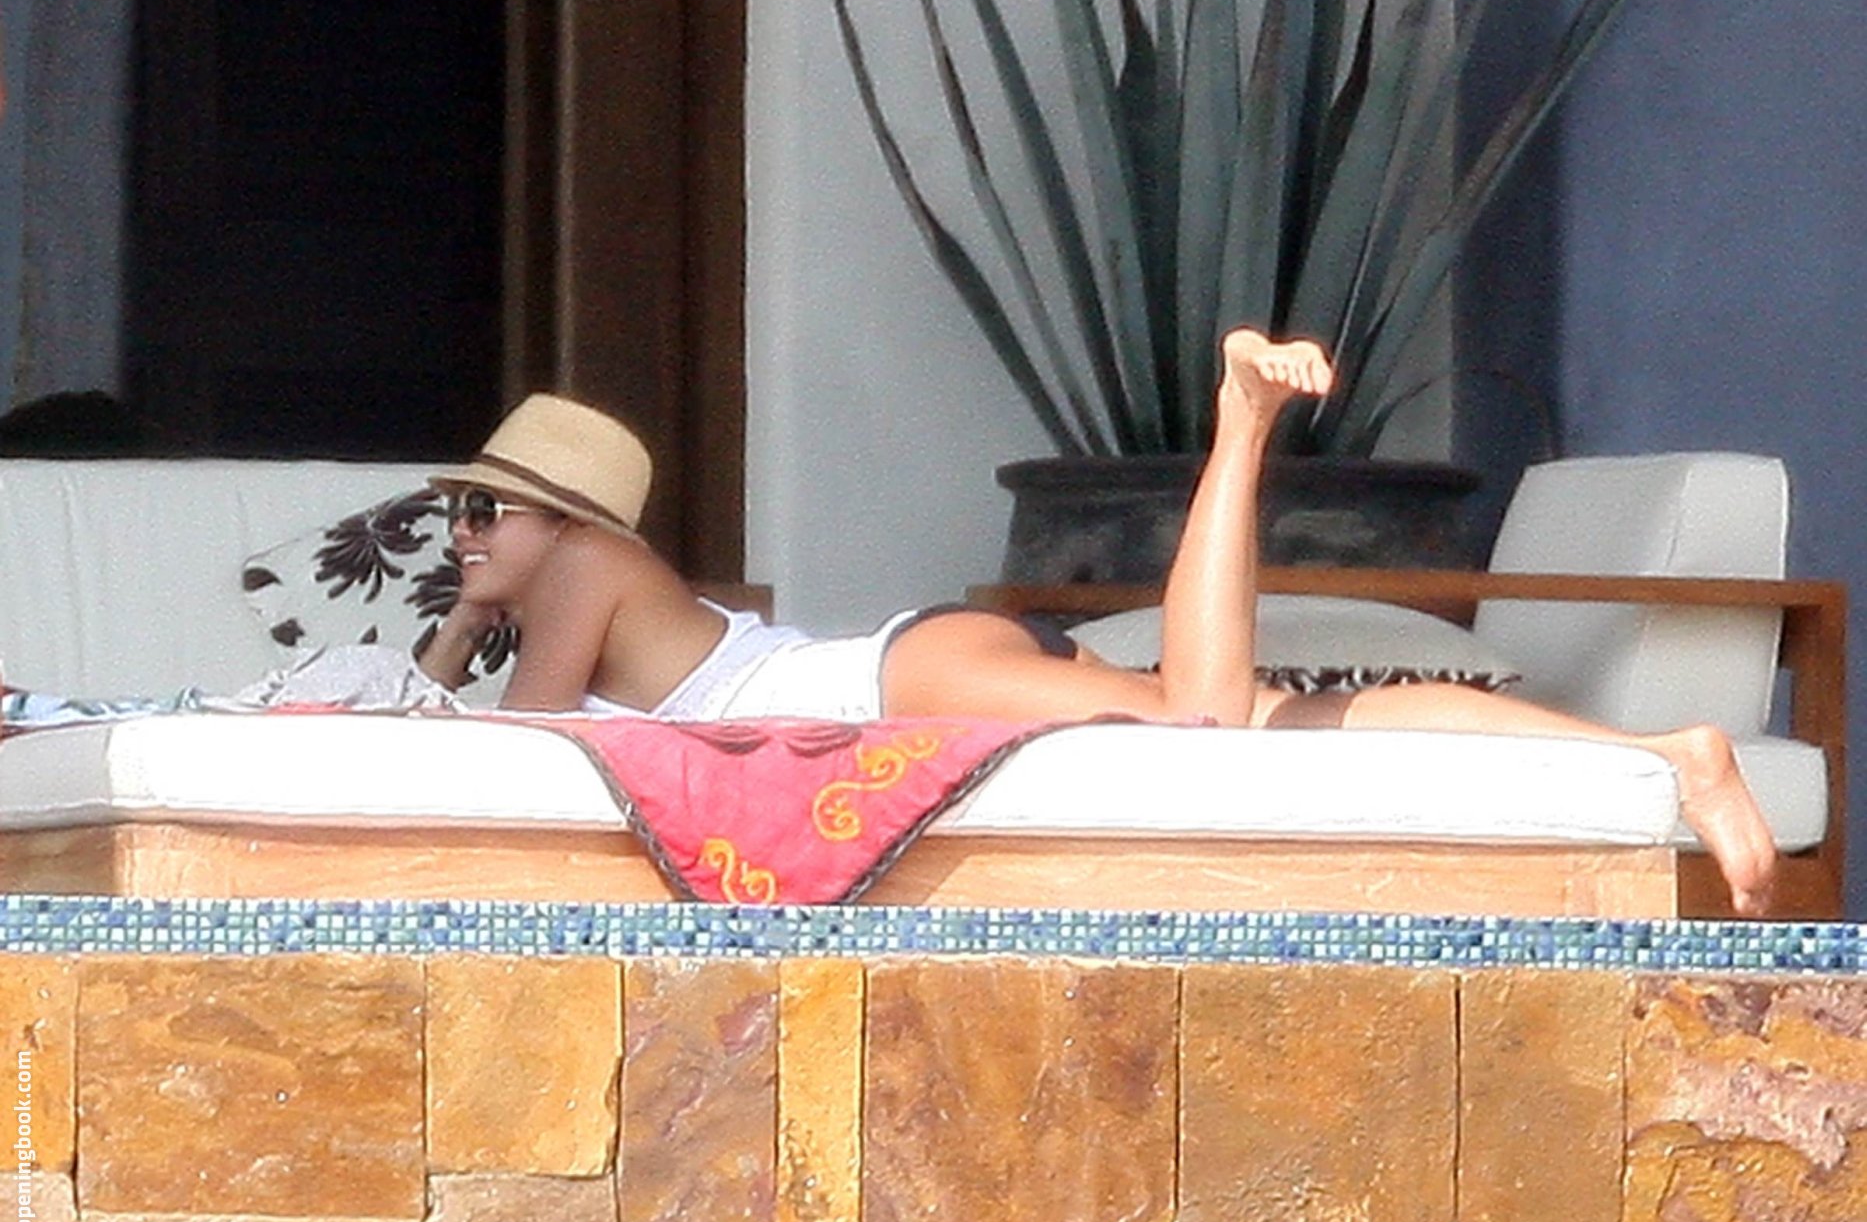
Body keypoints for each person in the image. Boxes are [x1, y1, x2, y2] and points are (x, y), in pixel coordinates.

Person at [419, 330, 1777, 916]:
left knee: (1198, 718)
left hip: (896, 683)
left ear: (567, 518)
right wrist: (457, 628)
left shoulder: (589, 562)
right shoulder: (590, 586)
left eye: (489, 511)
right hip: (921, 675)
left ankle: (1240, 419)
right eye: (460, 515)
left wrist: (465, 627)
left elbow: (520, 749)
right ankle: (1661, 755)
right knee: (1275, 721)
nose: (466, 535)